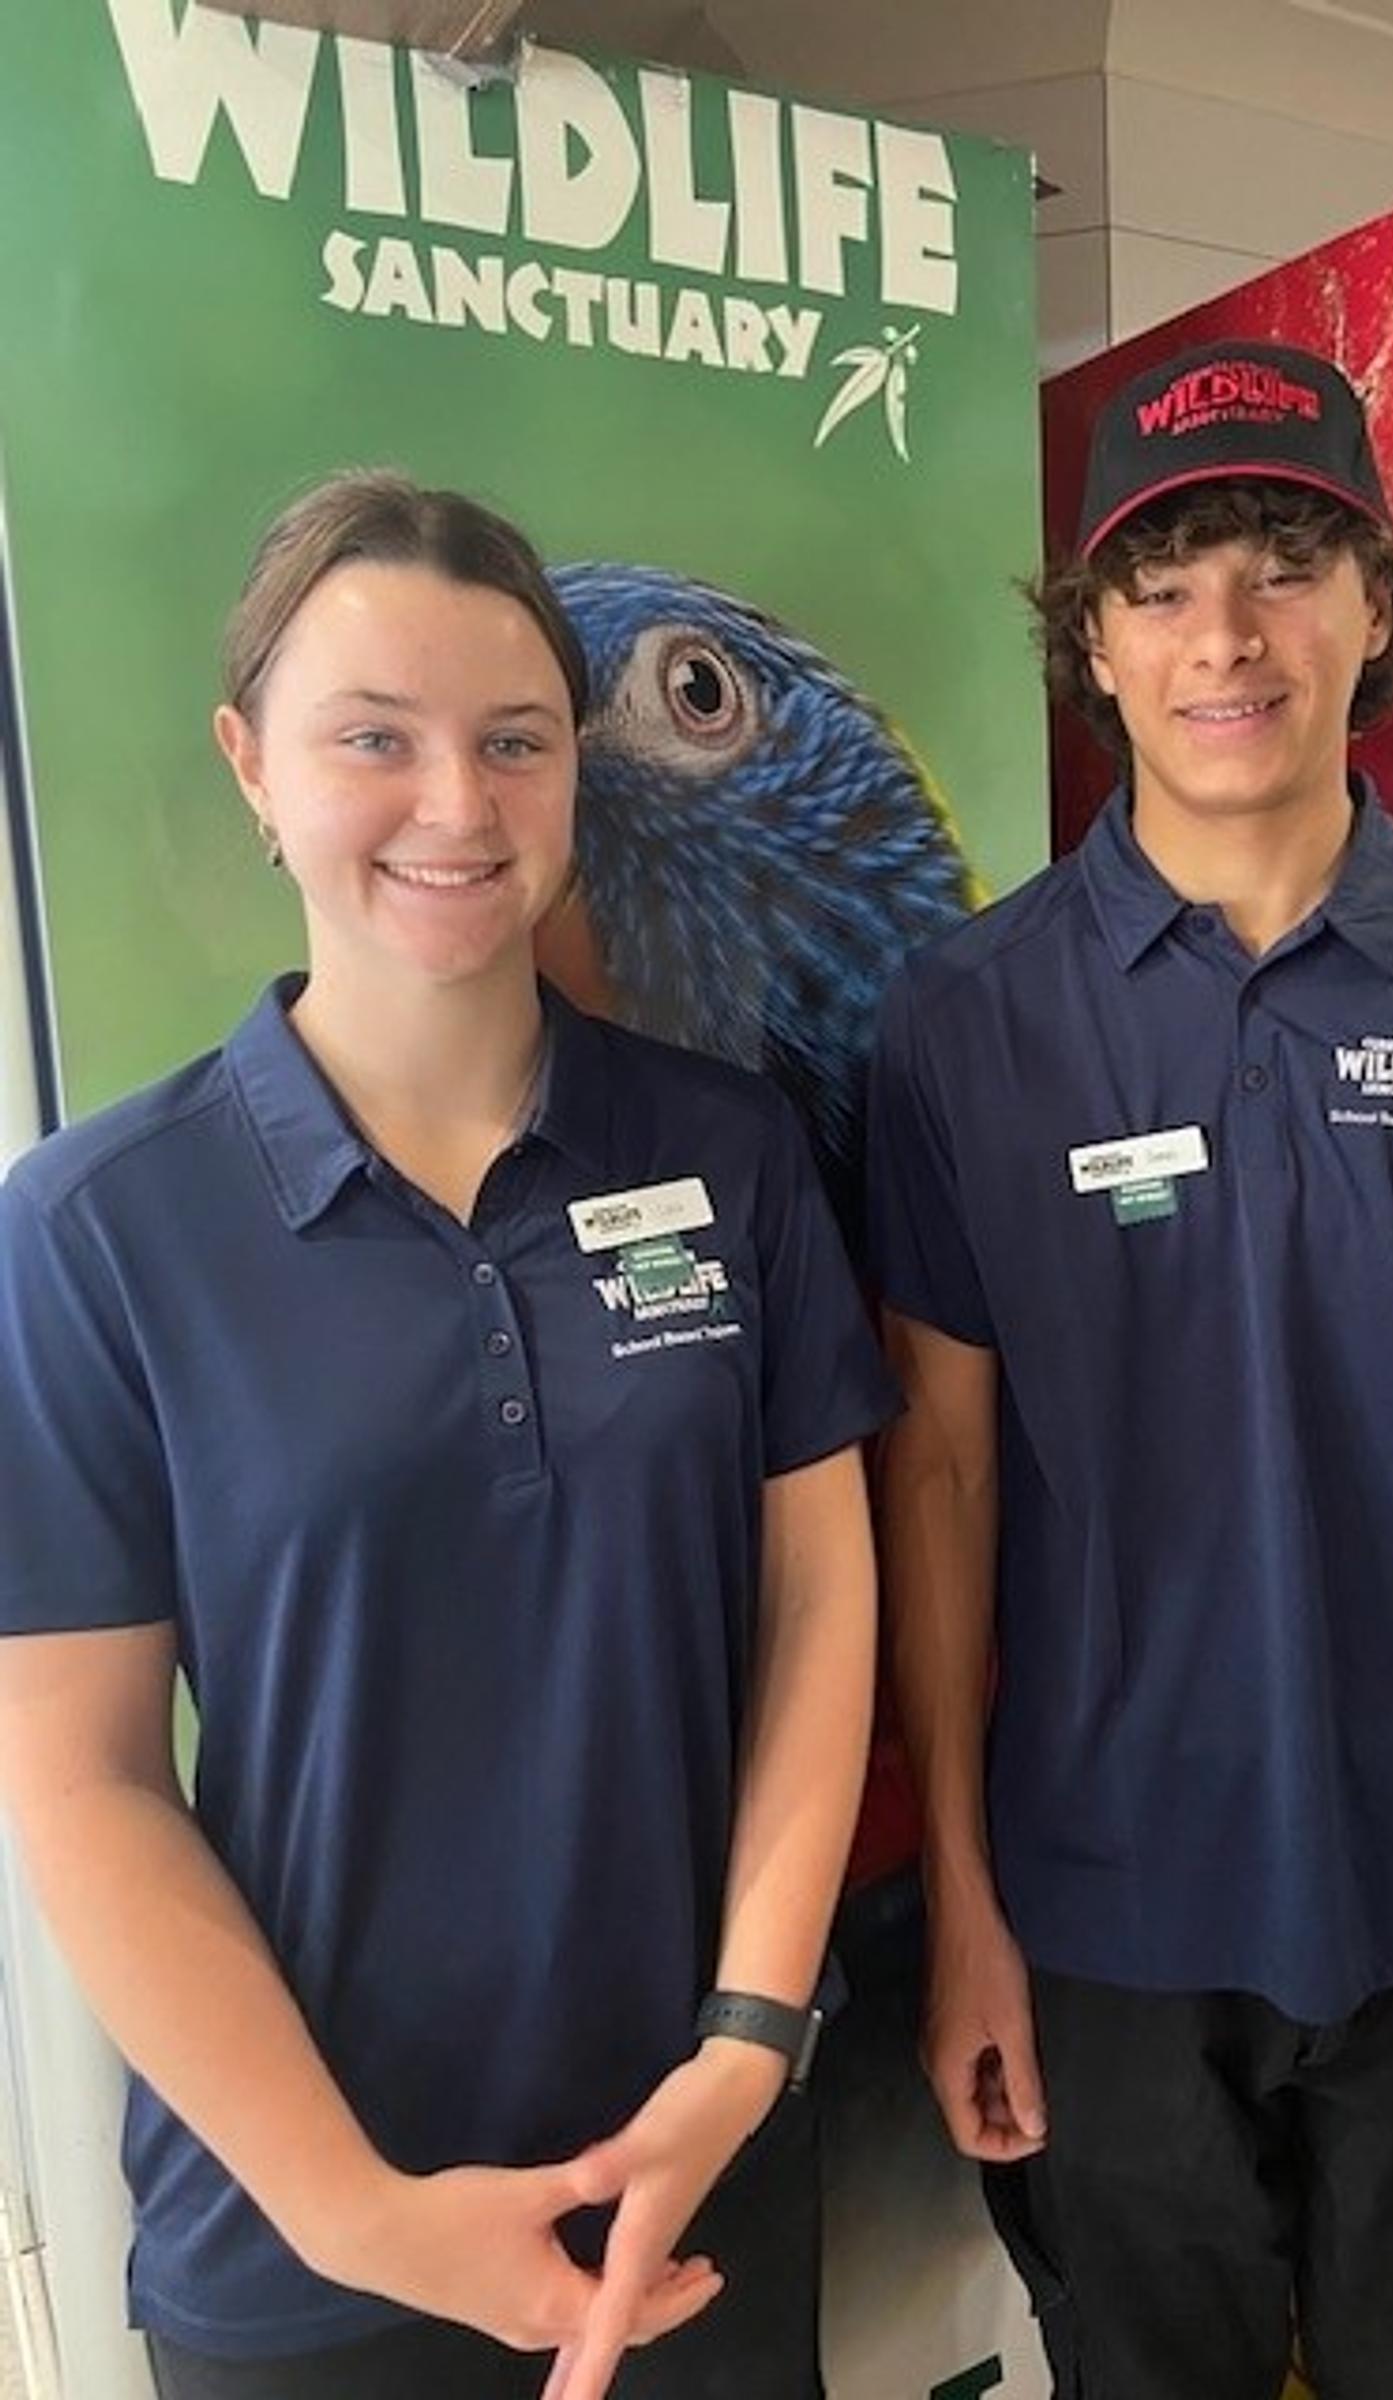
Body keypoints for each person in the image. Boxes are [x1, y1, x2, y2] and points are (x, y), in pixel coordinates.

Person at [0, 471, 894, 2400]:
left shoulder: (728, 1154)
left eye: (513, 741)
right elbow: (82, 1776)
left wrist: (750, 2042)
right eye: (373, 740)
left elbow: (821, 1601)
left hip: (697, 2175)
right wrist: (352, 2211)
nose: (457, 807)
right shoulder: (96, 1229)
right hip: (312, 2247)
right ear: (251, 766)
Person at [868, 339, 1393, 2400]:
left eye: (1285, 566)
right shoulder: (962, 1025)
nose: (1225, 635)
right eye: (1161, 585)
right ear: (1095, 646)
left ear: (1380, 604)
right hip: (1107, 1901)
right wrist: (963, 1902)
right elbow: (939, 1474)